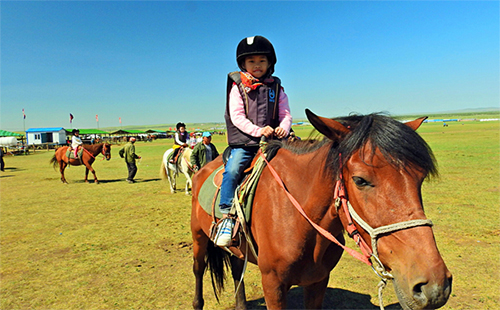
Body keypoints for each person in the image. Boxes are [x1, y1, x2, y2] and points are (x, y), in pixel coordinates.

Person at [214, 35, 292, 246]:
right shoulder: (237, 86)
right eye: (251, 61)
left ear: (270, 64)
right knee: (232, 170)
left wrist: (283, 129)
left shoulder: (277, 88)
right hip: (246, 143)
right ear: (243, 64)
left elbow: (286, 114)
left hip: (275, 141)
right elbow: (237, 116)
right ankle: (227, 217)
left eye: (262, 61)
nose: (257, 65)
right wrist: (259, 131)